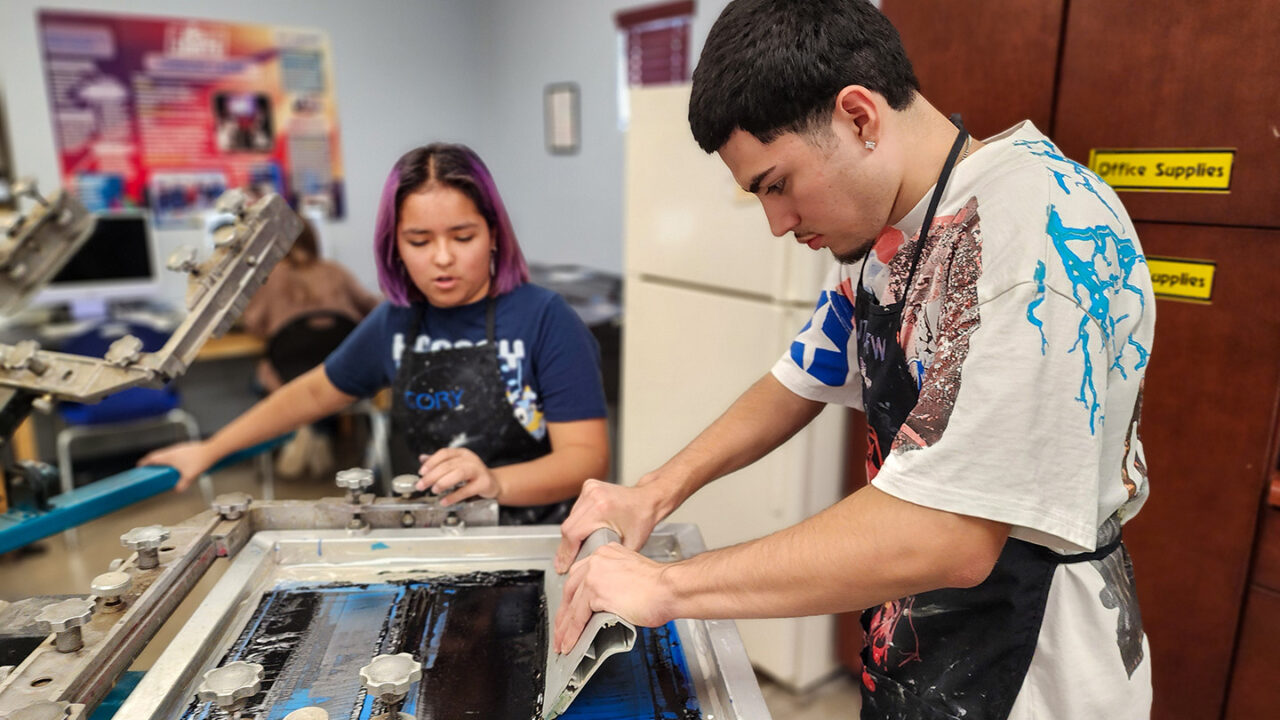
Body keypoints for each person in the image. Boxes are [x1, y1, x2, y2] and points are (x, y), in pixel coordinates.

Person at [552, 1, 1154, 718]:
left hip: (1034, 674)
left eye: (777, 184)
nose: (778, 223)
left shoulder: (1034, 234)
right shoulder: (892, 235)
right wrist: (651, 491)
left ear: (859, 117)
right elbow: (801, 377)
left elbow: (951, 533)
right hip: (920, 643)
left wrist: (666, 586)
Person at [142, 143, 610, 524]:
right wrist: (211, 449)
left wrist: (496, 482)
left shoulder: (545, 319)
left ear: (493, 234)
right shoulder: (396, 323)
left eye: (462, 237)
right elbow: (310, 395)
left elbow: (586, 459)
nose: (442, 258)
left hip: (537, 538)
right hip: (433, 535)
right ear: (396, 247)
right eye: (420, 241)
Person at [238, 217, 382, 476]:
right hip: (343, 374)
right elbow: (372, 307)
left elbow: (254, 324)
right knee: (327, 370)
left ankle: (296, 431)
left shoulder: (269, 278)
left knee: (259, 381)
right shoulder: (335, 271)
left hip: (287, 375)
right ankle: (319, 434)